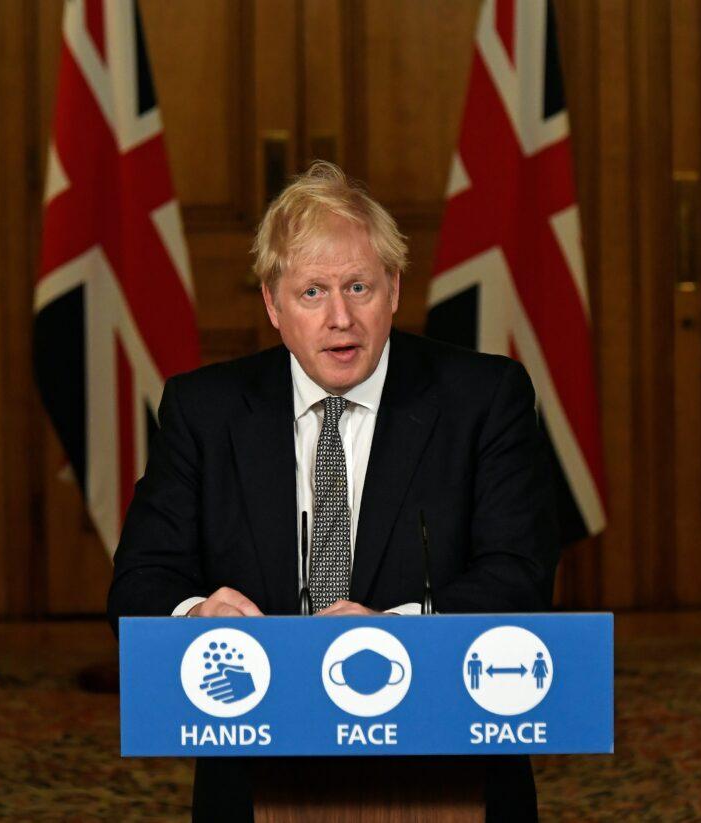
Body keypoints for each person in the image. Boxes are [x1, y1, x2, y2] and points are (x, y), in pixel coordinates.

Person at [108, 161, 559, 821]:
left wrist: (394, 635)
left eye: (358, 286)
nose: (340, 317)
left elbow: (520, 575)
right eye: (312, 292)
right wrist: (195, 615)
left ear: (395, 288)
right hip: (258, 762)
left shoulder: (484, 399)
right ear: (272, 303)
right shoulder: (205, 411)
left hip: (445, 759)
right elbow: (139, 583)